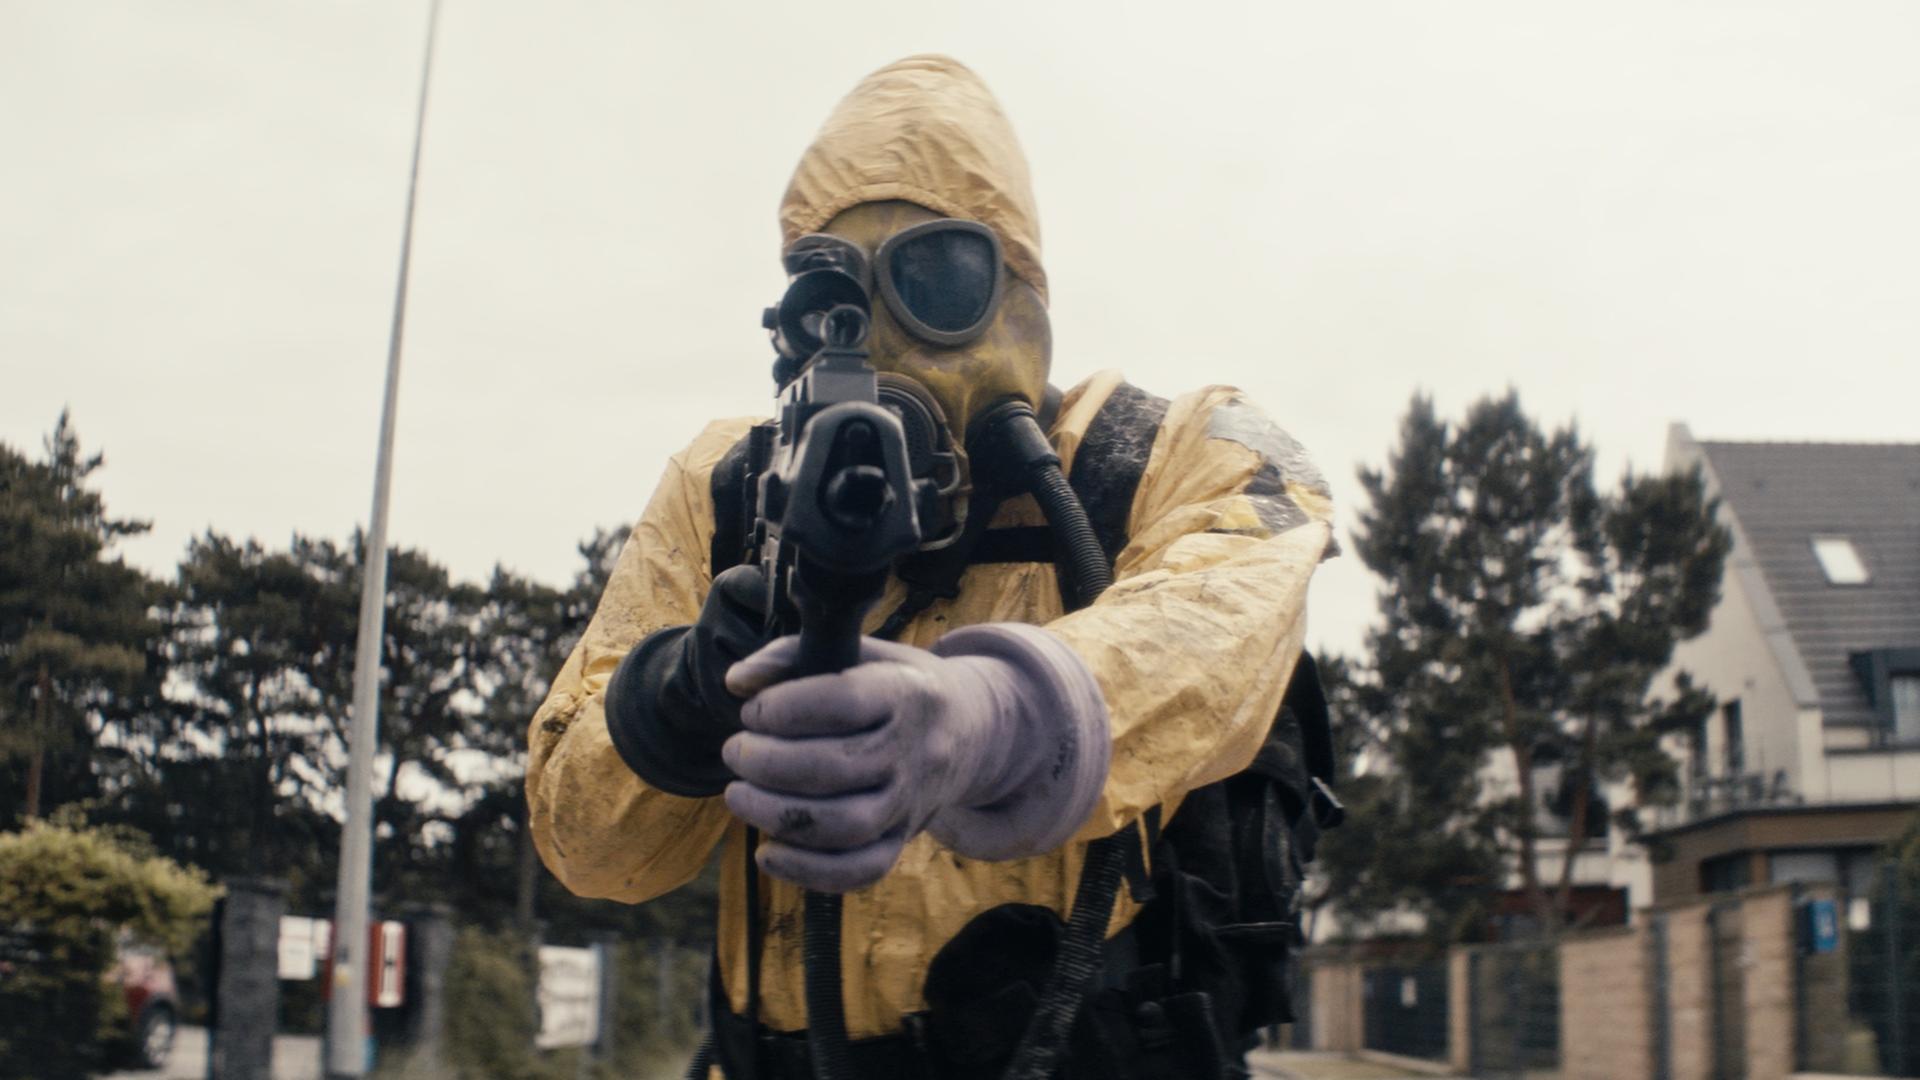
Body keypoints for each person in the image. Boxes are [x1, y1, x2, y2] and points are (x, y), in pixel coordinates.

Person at [526, 54, 1335, 1080]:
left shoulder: (1171, 458)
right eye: (836, 297)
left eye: (938, 280)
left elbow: (1232, 613)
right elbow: (590, 846)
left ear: (1021, 289)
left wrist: (997, 718)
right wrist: (688, 694)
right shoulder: (724, 494)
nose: (890, 341)